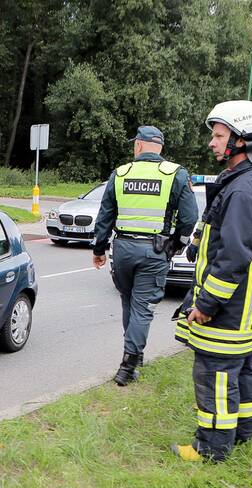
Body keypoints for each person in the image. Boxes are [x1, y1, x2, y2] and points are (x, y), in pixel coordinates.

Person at [171, 100, 252, 462]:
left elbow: (233, 256)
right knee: (243, 369)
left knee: (216, 374)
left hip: (228, 308)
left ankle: (212, 447)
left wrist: (206, 304)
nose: (212, 143)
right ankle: (243, 432)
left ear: (241, 140)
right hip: (247, 307)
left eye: (218, 136)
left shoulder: (244, 189)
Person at [92, 126, 198, 385]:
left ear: (139, 145)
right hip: (154, 250)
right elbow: (189, 218)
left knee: (129, 302)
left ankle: (134, 353)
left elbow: (106, 215)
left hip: (123, 249)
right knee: (142, 308)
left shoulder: (120, 174)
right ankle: (128, 366)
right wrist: (178, 243)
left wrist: (99, 249)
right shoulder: (176, 174)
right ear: (159, 147)